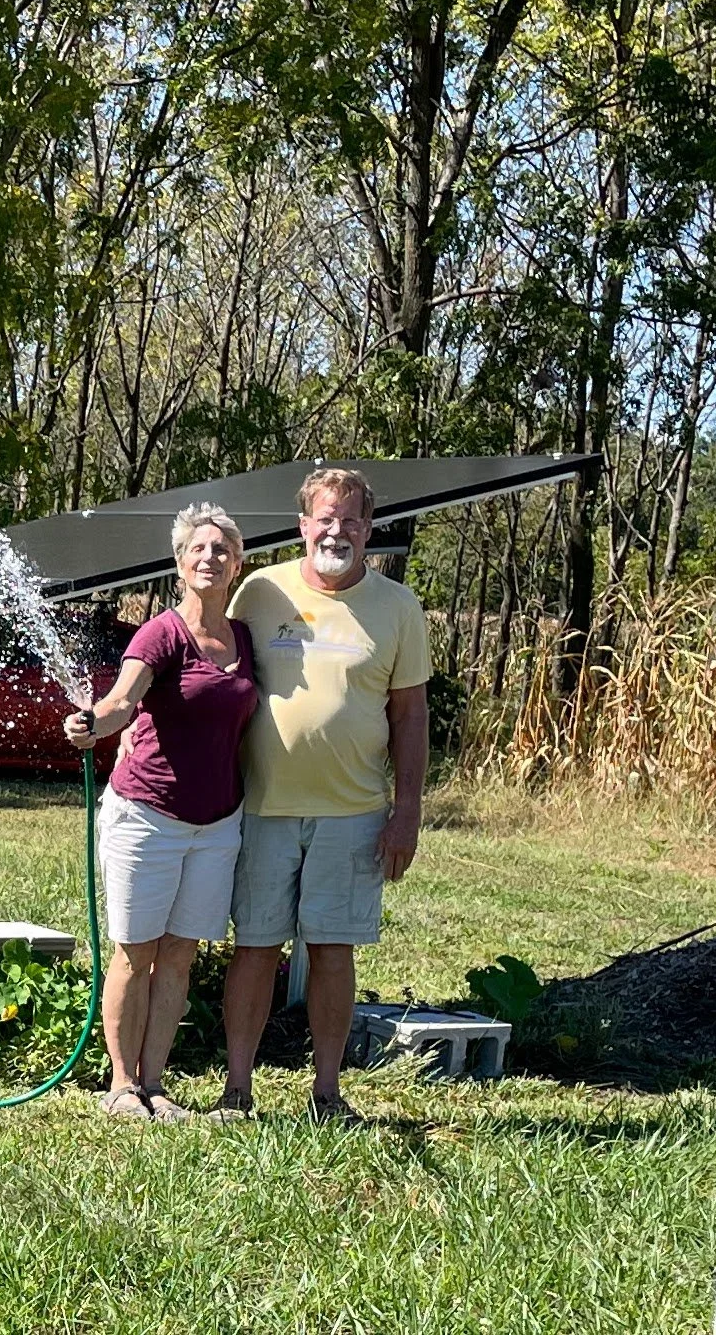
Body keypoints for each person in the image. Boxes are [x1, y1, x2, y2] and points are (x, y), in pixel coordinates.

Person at [217, 467, 430, 1125]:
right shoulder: (257, 592)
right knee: (255, 947)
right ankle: (237, 1090)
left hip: (355, 814)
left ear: (369, 529)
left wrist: (408, 813)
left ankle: (328, 1092)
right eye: (325, 518)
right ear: (304, 525)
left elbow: (411, 715)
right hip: (260, 807)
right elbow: (207, 668)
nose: (337, 530)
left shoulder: (399, 608)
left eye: (352, 520)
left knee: (333, 949)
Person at [65, 503, 255, 1122]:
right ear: (179, 563)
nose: (210, 557)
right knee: (135, 952)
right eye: (198, 549)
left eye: (222, 549)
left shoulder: (244, 637)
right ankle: (121, 1085)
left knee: (180, 954)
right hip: (145, 816)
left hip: (218, 824)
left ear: (238, 563)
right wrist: (95, 723)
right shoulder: (160, 633)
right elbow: (123, 700)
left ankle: (156, 1082)